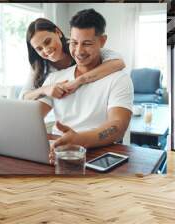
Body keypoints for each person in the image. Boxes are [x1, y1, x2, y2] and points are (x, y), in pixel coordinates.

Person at [37, 9, 133, 164]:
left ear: (102, 41)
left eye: (87, 43)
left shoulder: (119, 79)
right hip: (57, 152)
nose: (79, 51)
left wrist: (79, 140)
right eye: (74, 43)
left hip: (99, 155)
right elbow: (32, 117)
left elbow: (118, 126)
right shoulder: (55, 78)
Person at [21, 17, 126, 100]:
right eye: (39, 49)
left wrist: (79, 80)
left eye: (48, 42)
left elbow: (119, 62)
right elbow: (24, 97)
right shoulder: (39, 66)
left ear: (57, 32)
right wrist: (44, 90)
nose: (46, 50)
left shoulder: (78, 48)